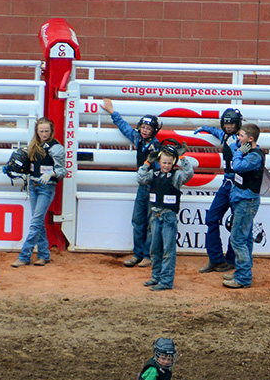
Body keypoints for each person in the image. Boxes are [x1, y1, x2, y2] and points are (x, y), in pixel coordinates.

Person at [100, 97, 162, 268]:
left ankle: (148, 256)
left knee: (150, 222)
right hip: (143, 188)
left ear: (154, 130)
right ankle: (138, 254)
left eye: (148, 128)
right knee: (138, 220)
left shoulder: (156, 147)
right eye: (143, 127)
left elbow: (158, 170)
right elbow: (125, 128)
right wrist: (113, 112)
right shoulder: (139, 140)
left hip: (153, 188)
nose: (145, 130)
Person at [8, 117, 67, 267]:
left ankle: (25, 255)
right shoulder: (33, 145)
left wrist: (52, 173)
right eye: (41, 131)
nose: (44, 134)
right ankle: (44, 255)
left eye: (46, 131)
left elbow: (62, 170)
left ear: (51, 131)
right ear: (37, 131)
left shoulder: (56, 147)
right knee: (38, 222)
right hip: (33, 185)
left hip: (46, 187)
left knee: (35, 223)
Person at [138, 141, 197, 292]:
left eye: (170, 163)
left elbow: (189, 173)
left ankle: (166, 281)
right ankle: (156, 277)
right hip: (155, 215)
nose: (166, 165)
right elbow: (140, 178)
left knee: (167, 250)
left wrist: (182, 157)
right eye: (164, 162)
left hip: (168, 216)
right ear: (158, 162)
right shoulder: (154, 174)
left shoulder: (176, 176)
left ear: (174, 163)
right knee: (155, 248)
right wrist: (146, 162)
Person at [193, 108, 242, 274]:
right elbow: (218, 133)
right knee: (211, 218)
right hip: (227, 182)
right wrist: (207, 128)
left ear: (238, 124)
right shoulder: (226, 136)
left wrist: (236, 147)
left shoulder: (240, 141)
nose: (228, 127)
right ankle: (216, 259)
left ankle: (231, 260)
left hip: (238, 184)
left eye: (232, 124)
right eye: (226, 124)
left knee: (236, 222)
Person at [222, 123, 265, 290]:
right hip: (243, 200)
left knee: (238, 239)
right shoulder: (249, 152)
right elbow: (233, 152)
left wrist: (239, 151)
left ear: (250, 139)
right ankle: (242, 272)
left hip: (247, 202)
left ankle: (243, 277)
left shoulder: (254, 156)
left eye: (241, 136)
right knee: (245, 238)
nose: (238, 138)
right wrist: (238, 149)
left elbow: (237, 165)